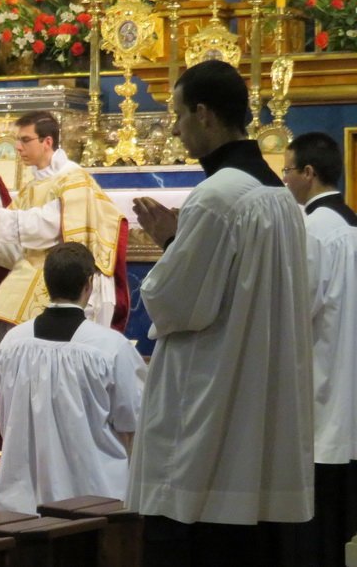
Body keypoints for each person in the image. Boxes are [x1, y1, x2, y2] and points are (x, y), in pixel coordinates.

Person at [129, 60, 313, 566]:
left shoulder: (216, 198)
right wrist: (178, 241)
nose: (175, 128)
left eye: (178, 114)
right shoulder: (279, 198)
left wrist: (171, 244)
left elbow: (177, 303)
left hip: (209, 411)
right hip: (258, 398)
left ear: (204, 114)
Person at [0, 242, 146, 514]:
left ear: (46, 282)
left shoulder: (12, 343)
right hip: (93, 499)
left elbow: (2, 412)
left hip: (21, 502)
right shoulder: (110, 347)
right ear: (89, 284)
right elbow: (134, 419)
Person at [284, 132, 357, 567]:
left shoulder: (312, 233)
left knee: (314, 540)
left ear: (308, 173)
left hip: (318, 407)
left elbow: (293, 314)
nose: (285, 179)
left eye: (288, 170)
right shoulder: (352, 227)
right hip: (350, 404)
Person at [0, 111, 127, 332]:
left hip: (70, 274)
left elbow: (46, 228)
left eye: (25, 140)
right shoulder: (33, 185)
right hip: (37, 268)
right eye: (17, 140)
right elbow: (9, 239)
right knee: (4, 314)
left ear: (47, 142)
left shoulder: (74, 179)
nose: (18, 147)